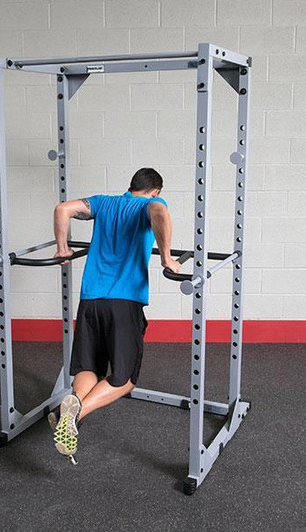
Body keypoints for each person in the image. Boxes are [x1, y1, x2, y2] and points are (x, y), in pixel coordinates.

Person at [48, 167, 181, 464]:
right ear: (155, 190)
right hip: (123, 303)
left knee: (89, 367)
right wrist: (167, 256)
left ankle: (71, 406)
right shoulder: (150, 204)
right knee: (125, 379)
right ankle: (73, 414)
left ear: (131, 186)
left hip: (91, 300)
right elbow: (159, 213)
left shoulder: (104, 203)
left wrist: (62, 248)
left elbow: (63, 209)